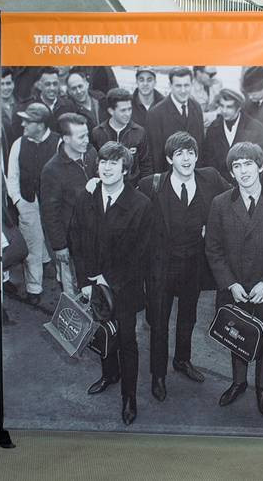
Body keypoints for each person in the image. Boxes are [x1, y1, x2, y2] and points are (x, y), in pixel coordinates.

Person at [139, 132, 231, 402]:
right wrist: (98, 184)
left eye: (190, 152)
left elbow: (232, 200)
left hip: (194, 265)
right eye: (179, 153)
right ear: (169, 159)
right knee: (158, 323)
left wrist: (213, 228)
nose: (186, 158)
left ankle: (182, 360)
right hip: (160, 268)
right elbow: (128, 206)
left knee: (187, 317)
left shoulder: (211, 178)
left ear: (197, 155)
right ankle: (158, 374)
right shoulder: (150, 185)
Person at [205, 142, 263, 416]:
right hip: (235, 289)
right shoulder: (220, 203)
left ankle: (262, 387)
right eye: (236, 166)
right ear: (231, 172)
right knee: (237, 336)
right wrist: (230, 283)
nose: (243, 171)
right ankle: (239, 382)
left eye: (248, 164)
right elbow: (213, 248)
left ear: (260, 166)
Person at [69, 142, 152, 426]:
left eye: (114, 163)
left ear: (126, 170)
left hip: (124, 288)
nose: (106, 167)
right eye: (103, 161)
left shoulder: (140, 204)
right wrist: (85, 281)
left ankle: (129, 398)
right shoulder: (86, 198)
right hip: (92, 283)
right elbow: (76, 242)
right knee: (102, 332)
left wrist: (110, 278)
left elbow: (142, 253)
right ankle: (108, 374)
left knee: (127, 342)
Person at [6, 102, 59, 305]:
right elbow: (12, 176)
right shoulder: (19, 144)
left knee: (57, 244)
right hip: (28, 202)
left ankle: (65, 288)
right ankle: (34, 289)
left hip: (52, 205)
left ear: (41, 124)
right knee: (32, 246)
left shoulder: (58, 143)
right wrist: (18, 200)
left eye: (28, 121)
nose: (23, 124)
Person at [40, 113, 98, 297]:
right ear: (65, 138)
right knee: (74, 291)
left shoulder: (92, 153)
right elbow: (50, 213)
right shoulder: (52, 170)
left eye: (87, 134)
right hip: (71, 243)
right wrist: (59, 246)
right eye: (81, 136)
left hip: (95, 236)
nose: (86, 140)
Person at [201, 88, 263, 190]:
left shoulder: (256, 128)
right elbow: (209, 165)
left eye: (229, 107)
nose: (224, 111)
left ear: (239, 107)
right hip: (221, 192)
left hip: (251, 189)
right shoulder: (213, 129)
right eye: (222, 106)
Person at [145, 67, 205, 173]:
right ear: (170, 86)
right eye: (178, 86)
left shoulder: (196, 108)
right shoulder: (155, 114)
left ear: (192, 84)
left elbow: (200, 145)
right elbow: (155, 156)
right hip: (168, 178)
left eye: (186, 85)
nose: (183, 90)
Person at [91, 88, 152, 187]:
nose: (128, 114)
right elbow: (94, 164)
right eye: (123, 110)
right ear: (111, 111)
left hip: (132, 188)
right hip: (106, 188)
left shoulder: (139, 132)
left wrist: (143, 187)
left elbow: (146, 165)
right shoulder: (98, 132)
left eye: (129, 109)